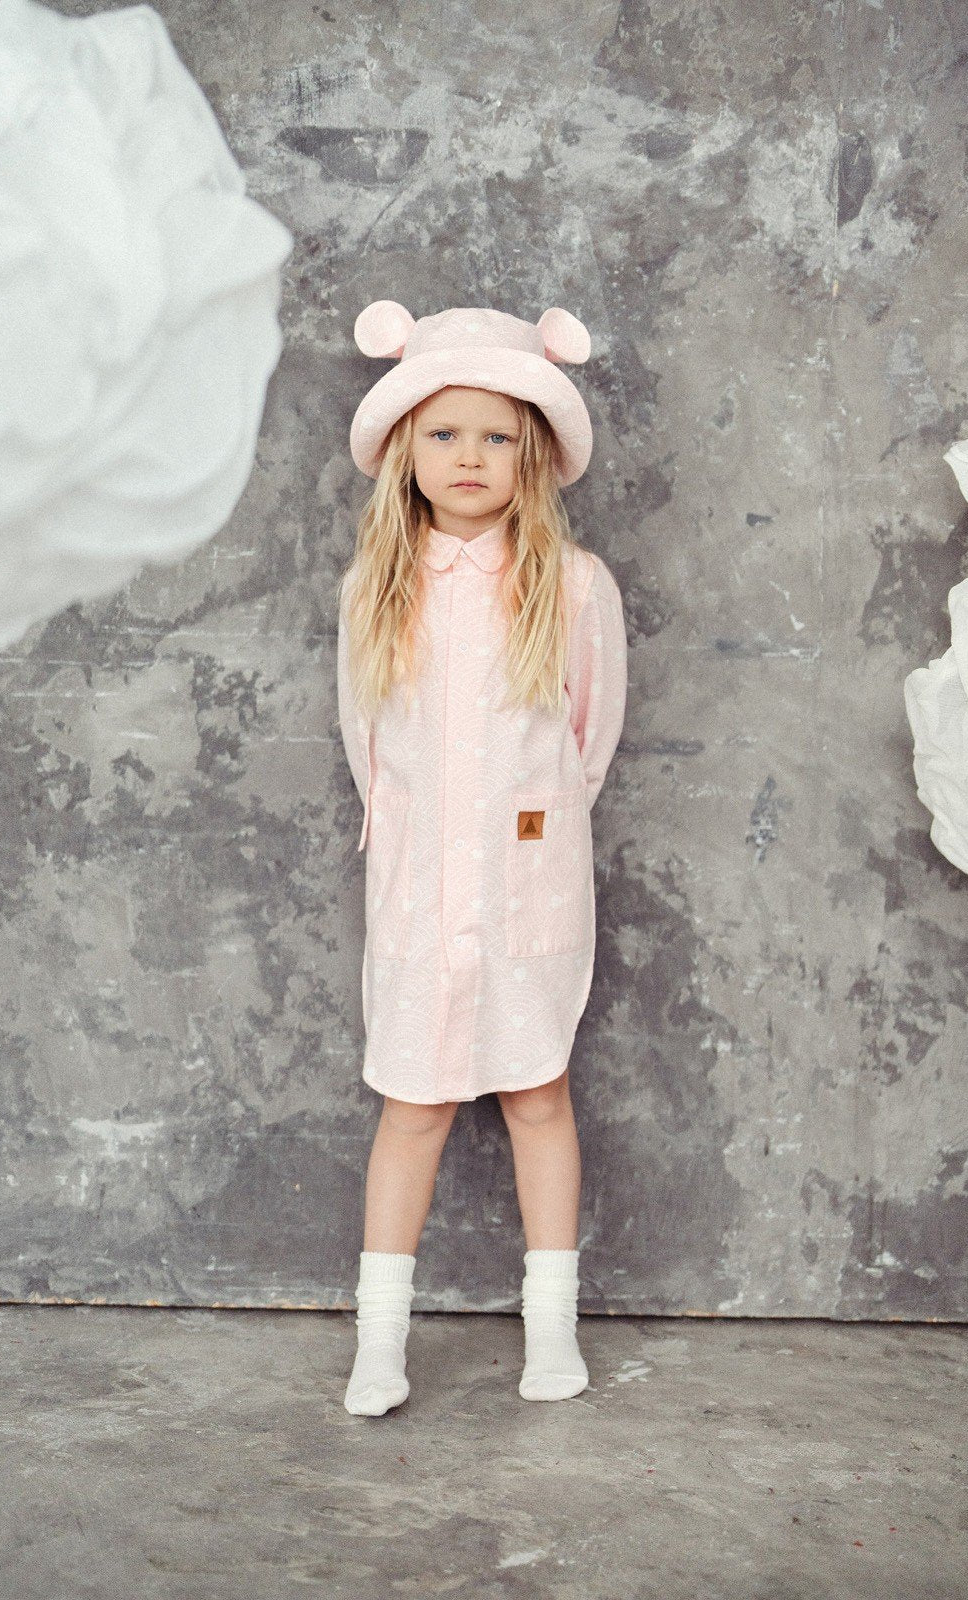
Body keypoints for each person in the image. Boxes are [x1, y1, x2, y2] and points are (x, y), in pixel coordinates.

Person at [335, 300, 628, 1415]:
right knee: (411, 1104)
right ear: (407, 450)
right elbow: (371, 751)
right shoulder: (377, 590)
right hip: (417, 891)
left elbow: (586, 743)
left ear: (533, 456)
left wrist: (526, 837)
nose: (470, 457)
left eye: (497, 436)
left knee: (539, 1094)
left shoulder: (576, 585)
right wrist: (427, 845)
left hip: (527, 891)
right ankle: (380, 1344)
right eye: (447, 434)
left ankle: (550, 1330)